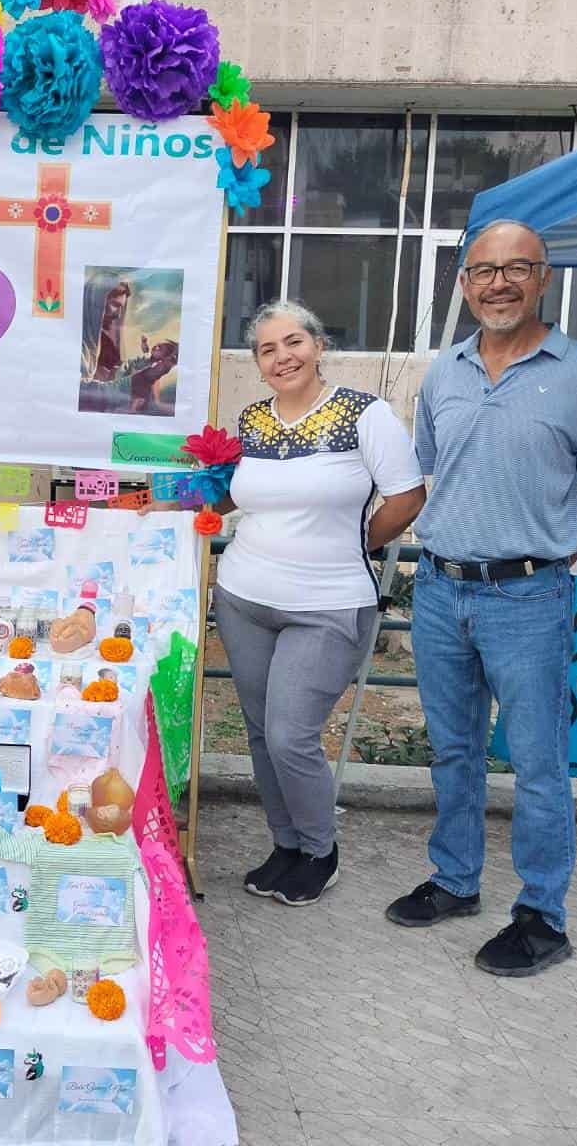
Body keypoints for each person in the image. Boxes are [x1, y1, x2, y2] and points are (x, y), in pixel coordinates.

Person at [388, 219, 577, 977]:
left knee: (536, 761)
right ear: (464, 284)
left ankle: (541, 914)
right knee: (454, 749)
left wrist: (542, 554)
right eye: (484, 270)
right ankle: (457, 880)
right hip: (437, 588)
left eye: (516, 268)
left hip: (528, 596)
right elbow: (427, 476)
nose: (499, 283)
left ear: (544, 278)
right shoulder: (444, 373)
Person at [214, 300, 425, 906]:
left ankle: (320, 849)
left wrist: (357, 543)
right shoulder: (253, 420)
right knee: (258, 733)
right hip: (243, 596)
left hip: (329, 604)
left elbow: (407, 496)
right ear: (257, 363)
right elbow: (234, 494)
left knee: (290, 735)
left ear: (318, 345)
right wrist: (161, 502)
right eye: (267, 349)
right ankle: (285, 846)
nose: (283, 357)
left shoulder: (365, 414)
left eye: (293, 343)